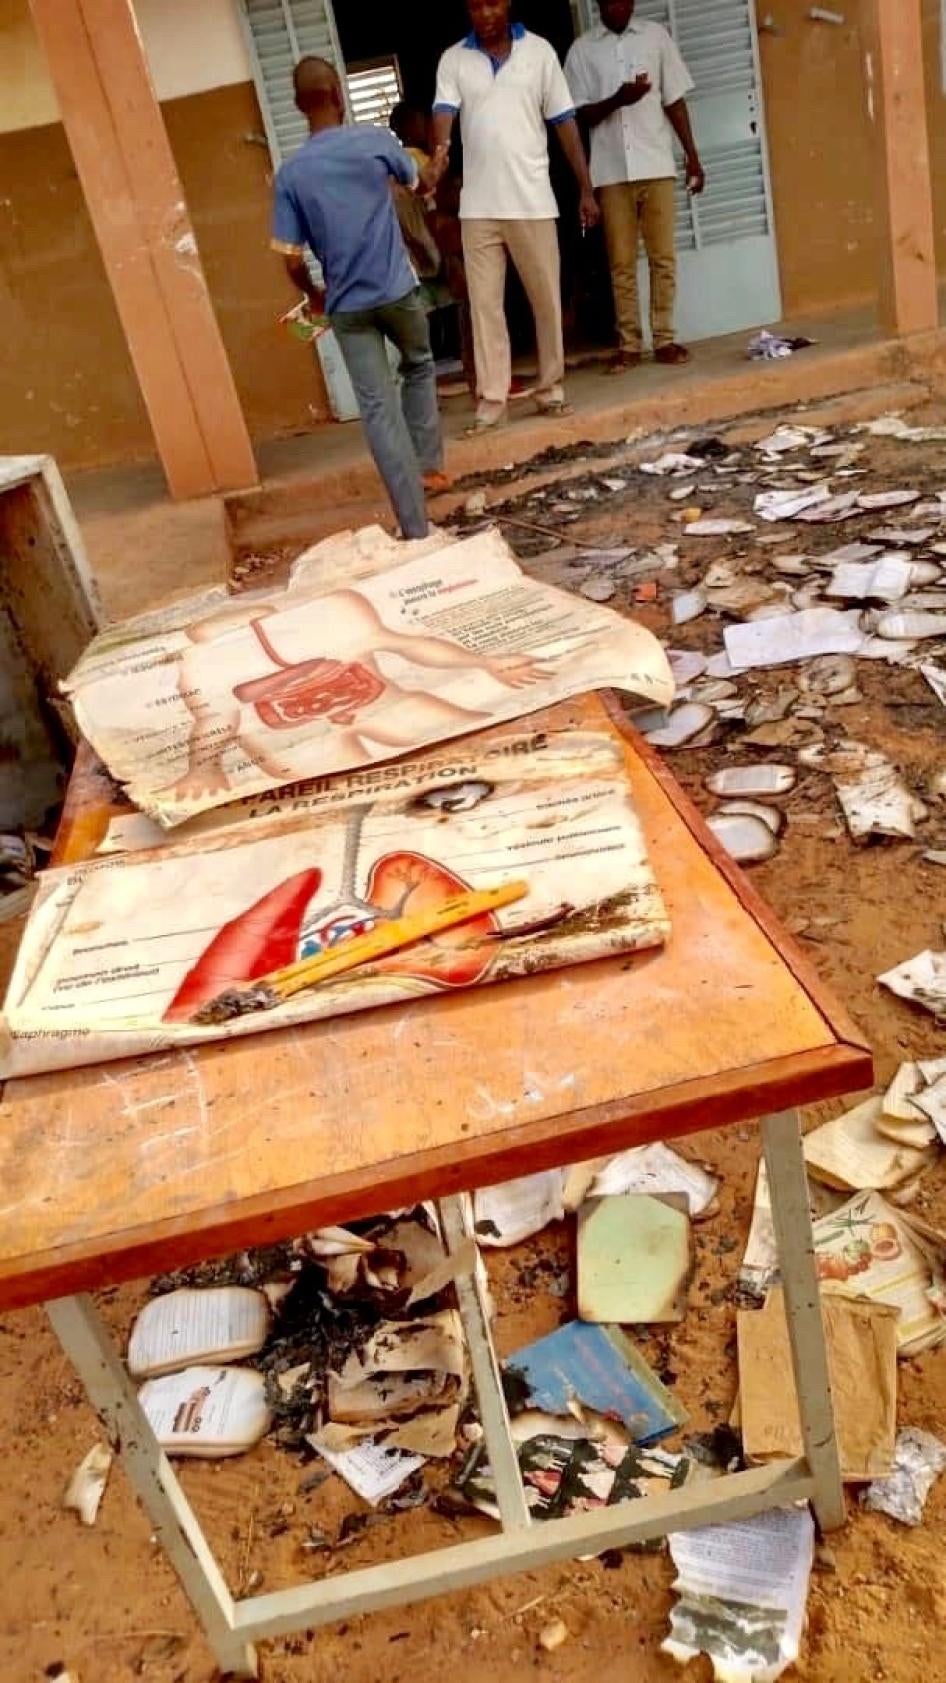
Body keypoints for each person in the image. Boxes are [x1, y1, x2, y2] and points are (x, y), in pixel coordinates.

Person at [271, 58, 450, 542]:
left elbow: (289, 259)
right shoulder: (376, 142)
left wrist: (314, 294)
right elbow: (421, 185)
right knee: (418, 363)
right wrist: (436, 164)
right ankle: (429, 463)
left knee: (377, 410)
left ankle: (415, 528)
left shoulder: (291, 175)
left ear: (296, 103)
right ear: (336, 91)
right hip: (397, 291)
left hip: (347, 309)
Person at [432, 0, 601, 434]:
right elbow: (443, 114)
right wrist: (439, 154)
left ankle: (551, 389)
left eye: (491, 3)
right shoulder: (454, 59)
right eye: (474, 6)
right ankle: (491, 403)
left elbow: (564, 122)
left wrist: (585, 186)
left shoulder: (540, 52)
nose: (484, 14)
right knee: (485, 307)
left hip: (532, 201)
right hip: (478, 208)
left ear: (506, 3)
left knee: (545, 299)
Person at [565, 0, 704, 371]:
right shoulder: (582, 50)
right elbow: (580, 115)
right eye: (610, 1)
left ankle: (665, 339)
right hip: (610, 172)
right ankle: (629, 345)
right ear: (597, 5)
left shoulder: (656, 37)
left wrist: (692, 155)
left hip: (656, 163)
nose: (618, 7)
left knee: (663, 258)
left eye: (624, 0)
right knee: (621, 264)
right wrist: (618, 99)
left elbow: (674, 100)